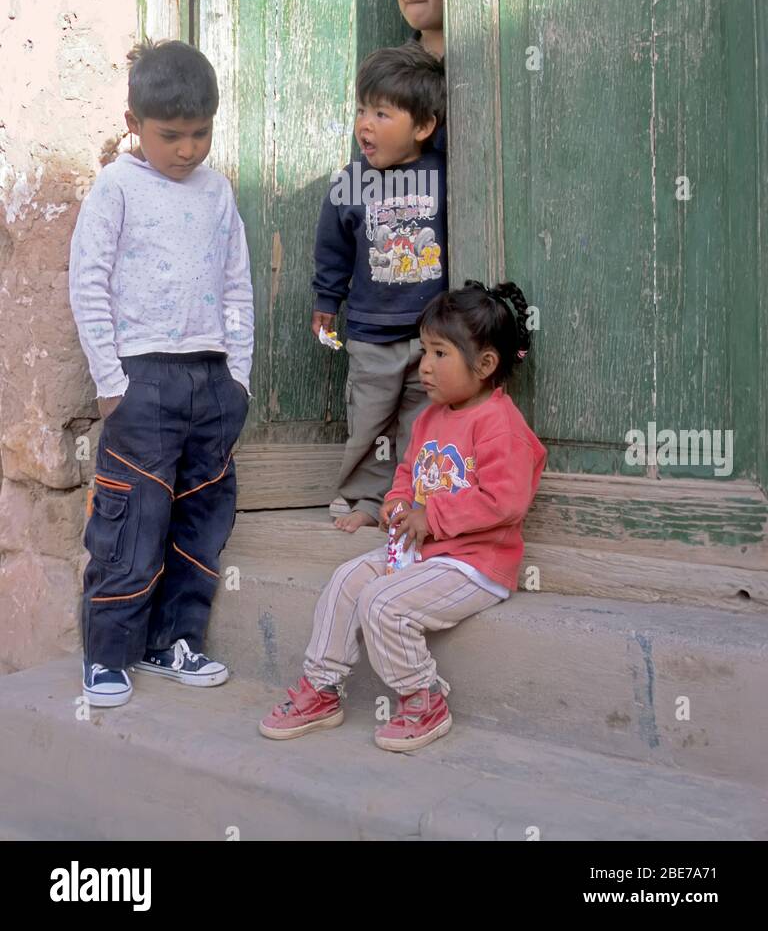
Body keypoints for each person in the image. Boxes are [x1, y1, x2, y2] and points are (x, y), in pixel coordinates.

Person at [259, 279, 546, 753]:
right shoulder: (432, 417)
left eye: (438, 354)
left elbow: (505, 501)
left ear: (486, 364)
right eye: (424, 351)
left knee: (382, 603)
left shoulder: (499, 425)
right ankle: (322, 687)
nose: (424, 366)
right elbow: (410, 470)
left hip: (473, 564)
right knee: (346, 579)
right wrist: (395, 501)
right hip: (423, 551)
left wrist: (431, 516)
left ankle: (423, 697)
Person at [69, 40, 254, 707]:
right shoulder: (117, 187)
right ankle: (110, 652)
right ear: (133, 125)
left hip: (211, 380)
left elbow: (237, 286)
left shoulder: (217, 192)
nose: (186, 150)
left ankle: (177, 641)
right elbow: (88, 282)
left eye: (200, 134)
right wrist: (111, 383)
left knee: (202, 516)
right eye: (170, 136)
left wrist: (240, 378)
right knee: (130, 518)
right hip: (141, 378)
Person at [313, 43, 447, 532]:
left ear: (424, 126)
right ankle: (365, 499)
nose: (364, 124)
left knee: (422, 422)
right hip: (370, 331)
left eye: (382, 113)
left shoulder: (446, 176)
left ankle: (412, 502)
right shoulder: (350, 183)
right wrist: (327, 301)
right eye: (362, 110)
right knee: (369, 422)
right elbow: (332, 250)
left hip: (431, 336)